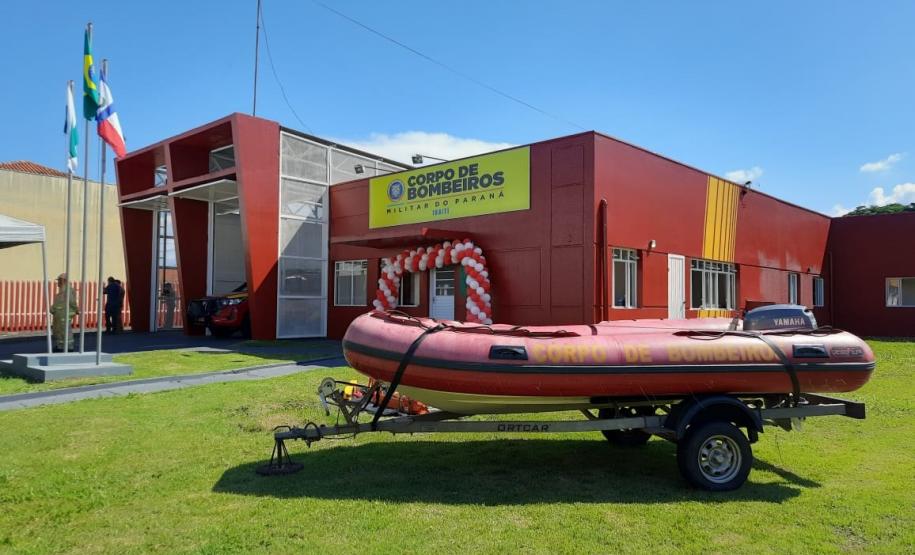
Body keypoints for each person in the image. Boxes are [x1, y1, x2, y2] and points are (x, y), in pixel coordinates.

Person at [50, 273, 78, 352]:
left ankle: (68, 347)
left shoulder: (67, 290)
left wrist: (76, 309)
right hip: (60, 313)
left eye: (59, 280)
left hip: (64, 314)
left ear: (63, 280)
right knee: (60, 330)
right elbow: (59, 302)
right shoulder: (63, 289)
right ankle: (60, 345)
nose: (57, 282)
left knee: (65, 331)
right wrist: (53, 308)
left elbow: (71, 301)